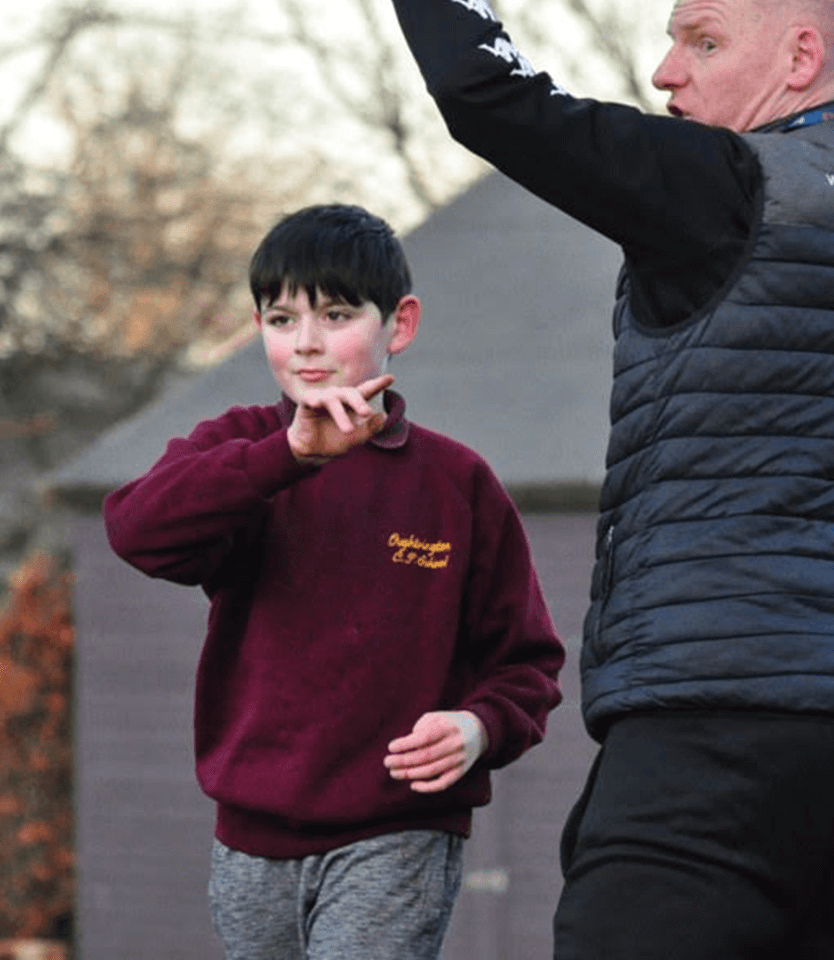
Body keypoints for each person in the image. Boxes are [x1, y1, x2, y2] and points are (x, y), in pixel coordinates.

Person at [388, 0, 834, 957]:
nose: (665, 72)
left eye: (703, 41)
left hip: (719, 738)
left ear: (802, 56)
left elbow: (487, 93)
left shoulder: (731, 185)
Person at [102, 203, 565, 960]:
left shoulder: (458, 484)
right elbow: (134, 530)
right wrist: (288, 458)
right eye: (282, 320)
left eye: (337, 314)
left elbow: (527, 664)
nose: (307, 344)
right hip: (250, 840)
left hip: (397, 832)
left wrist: (477, 728)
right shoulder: (238, 450)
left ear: (400, 325)